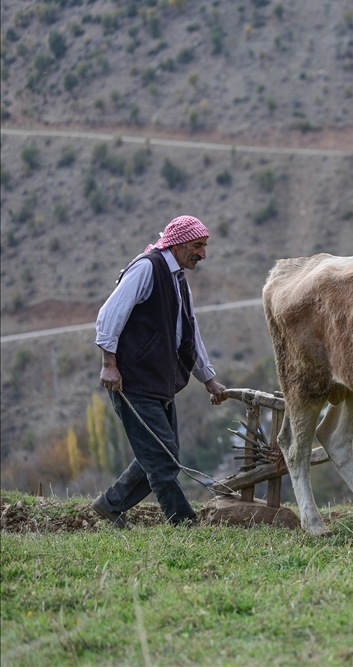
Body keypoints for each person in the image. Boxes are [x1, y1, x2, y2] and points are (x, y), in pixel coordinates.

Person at [91, 215, 227, 528]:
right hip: (133, 381)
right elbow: (108, 316)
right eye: (198, 246)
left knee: (161, 452)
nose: (203, 254)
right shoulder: (147, 268)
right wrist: (109, 365)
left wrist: (209, 379)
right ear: (178, 245)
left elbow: (189, 334)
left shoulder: (177, 276)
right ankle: (183, 523)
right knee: (163, 457)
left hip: (159, 380)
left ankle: (111, 504)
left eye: (204, 246)